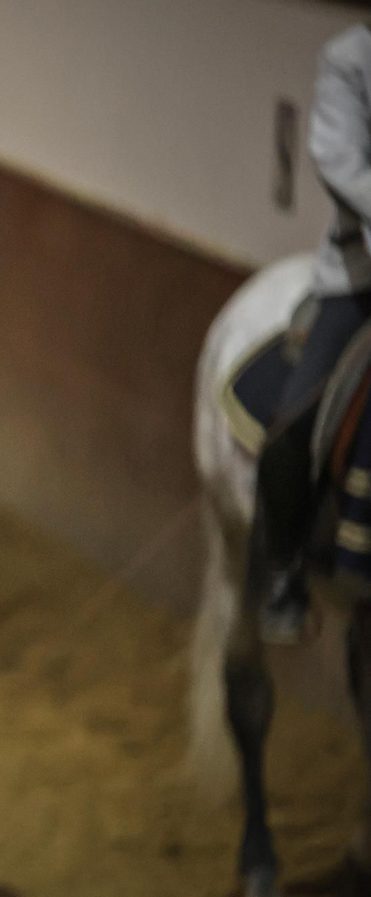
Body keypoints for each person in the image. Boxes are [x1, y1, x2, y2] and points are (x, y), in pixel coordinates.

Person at [249, 23, 371, 644]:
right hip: (360, 277)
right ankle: (285, 567)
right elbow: (343, 163)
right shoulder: (350, 60)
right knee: (298, 419)